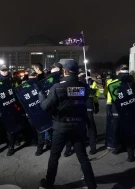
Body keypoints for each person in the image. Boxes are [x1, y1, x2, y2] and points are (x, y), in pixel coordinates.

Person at [39, 60, 97, 189]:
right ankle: (92, 185)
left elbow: (45, 106)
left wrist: (41, 95)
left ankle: (49, 183)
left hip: (61, 126)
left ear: (64, 71)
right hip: (79, 125)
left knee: (54, 156)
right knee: (83, 157)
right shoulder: (83, 87)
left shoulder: (58, 87)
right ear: (77, 72)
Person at [107, 64, 135, 162]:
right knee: (119, 130)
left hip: (127, 109)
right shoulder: (114, 82)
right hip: (121, 108)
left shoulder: (131, 81)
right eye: (123, 70)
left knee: (125, 131)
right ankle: (120, 148)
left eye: (126, 70)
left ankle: (129, 153)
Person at [79, 71, 101, 155]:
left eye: (81, 74)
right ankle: (84, 145)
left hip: (87, 103)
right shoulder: (80, 82)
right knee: (84, 125)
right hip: (83, 103)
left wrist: (96, 104)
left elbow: (96, 93)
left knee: (90, 125)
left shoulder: (91, 82)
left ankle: (93, 147)